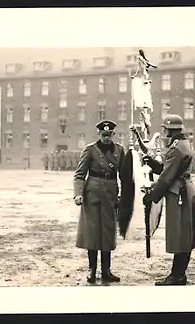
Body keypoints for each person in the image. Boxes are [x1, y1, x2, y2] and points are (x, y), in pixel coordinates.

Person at [142, 114, 195, 285]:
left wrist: (152, 196)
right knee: (183, 234)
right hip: (183, 190)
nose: (164, 132)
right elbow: (170, 169)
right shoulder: (182, 144)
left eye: (165, 129)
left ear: (170, 130)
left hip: (179, 193)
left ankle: (177, 275)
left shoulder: (176, 148)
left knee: (181, 235)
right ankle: (177, 273)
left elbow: (167, 177)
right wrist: (153, 164)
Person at [73, 120, 126, 284]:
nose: (106, 138)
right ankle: (92, 269)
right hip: (92, 194)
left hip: (110, 194)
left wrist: (124, 197)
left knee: (107, 232)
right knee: (92, 232)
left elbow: (124, 176)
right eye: (103, 135)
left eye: (109, 135)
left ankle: (106, 270)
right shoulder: (90, 150)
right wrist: (78, 194)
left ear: (113, 135)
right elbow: (79, 174)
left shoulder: (119, 151)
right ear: (99, 134)